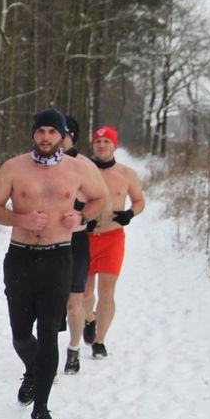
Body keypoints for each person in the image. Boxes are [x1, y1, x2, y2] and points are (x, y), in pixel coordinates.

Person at [0, 109, 106, 419]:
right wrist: (20, 219)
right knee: (21, 335)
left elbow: (99, 198)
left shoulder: (78, 168)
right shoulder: (13, 168)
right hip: (21, 257)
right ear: (33, 134)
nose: (46, 138)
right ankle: (34, 370)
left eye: (52, 132)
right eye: (40, 131)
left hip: (58, 257)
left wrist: (81, 220)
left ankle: (41, 409)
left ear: (62, 136)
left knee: (49, 332)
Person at [81, 125, 145, 358]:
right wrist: (82, 215)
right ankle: (89, 318)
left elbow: (139, 201)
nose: (101, 145)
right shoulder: (84, 170)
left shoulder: (127, 174)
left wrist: (129, 214)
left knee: (107, 291)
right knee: (86, 293)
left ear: (114, 145)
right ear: (93, 145)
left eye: (106, 141)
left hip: (113, 238)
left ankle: (100, 341)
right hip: (86, 237)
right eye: (98, 141)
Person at [59, 116, 108, 375]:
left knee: (74, 300)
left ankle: (74, 350)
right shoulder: (37, 165)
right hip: (46, 243)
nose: (57, 139)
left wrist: (85, 217)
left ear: (72, 138)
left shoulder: (83, 165)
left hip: (76, 240)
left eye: (63, 134)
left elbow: (101, 198)